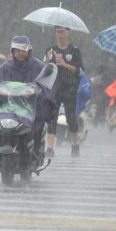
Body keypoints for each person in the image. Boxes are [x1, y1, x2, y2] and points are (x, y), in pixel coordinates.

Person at [0, 35, 55, 163]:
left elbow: (45, 87)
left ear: (29, 50)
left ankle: (35, 151)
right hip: (8, 107)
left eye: (24, 50)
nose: (21, 53)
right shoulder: (5, 67)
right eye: (17, 50)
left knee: (39, 122)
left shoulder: (38, 67)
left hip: (30, 108)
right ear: (13, 51)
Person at [44, 26, 84, 157]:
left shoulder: (75, 51)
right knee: (52, 117)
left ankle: (75, 143)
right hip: (55, 88)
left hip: (70, 89)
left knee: (71, 117)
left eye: (62, 32)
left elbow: (80, 70)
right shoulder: (50, 50)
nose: (60, 35)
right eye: (57, 32)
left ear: (68, 33)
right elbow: (45, 70)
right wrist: (48, 60)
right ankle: (50, 147)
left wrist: (65, 64)